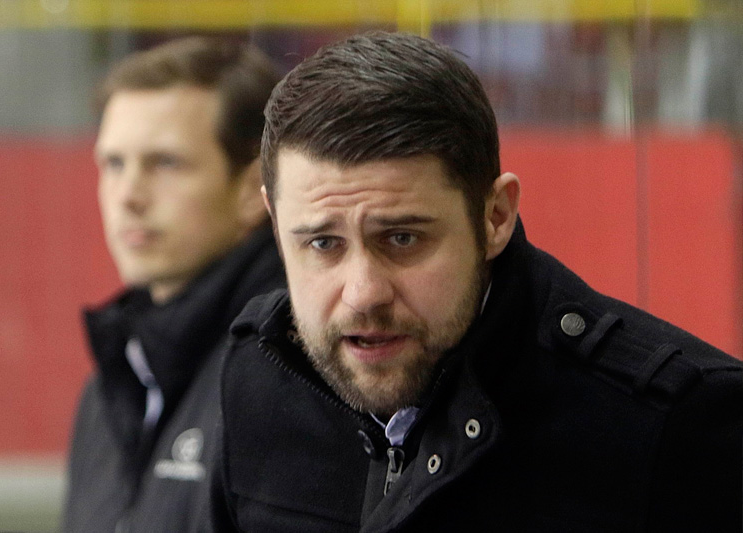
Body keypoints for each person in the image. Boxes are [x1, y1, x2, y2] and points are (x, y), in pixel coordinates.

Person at [207, 32, 743, 532]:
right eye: (323, 244)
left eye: (402, 239)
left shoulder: (674, 425)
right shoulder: (259, 379)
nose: (364, 293)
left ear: (495, 217)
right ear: (275, 224)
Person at [62, 37, 284, 532]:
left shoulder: (287, 373)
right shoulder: (109, 387)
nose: (128, 195)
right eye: (113, 164)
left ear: (255, 190)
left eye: (165, 163)